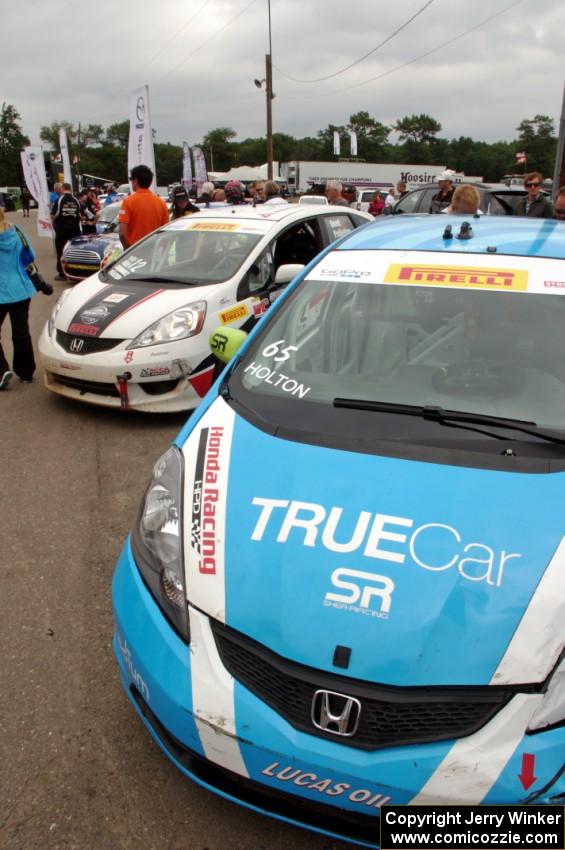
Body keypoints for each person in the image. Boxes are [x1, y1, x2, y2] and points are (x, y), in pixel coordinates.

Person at [0, 209, 49, 387]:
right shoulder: (16, 231)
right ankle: (26, 372)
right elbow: (30, 256)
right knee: (21, 332)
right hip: (20, 289)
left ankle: (2, 371)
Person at [118, 165, 169, 249]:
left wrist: (127, 248)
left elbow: (122, 233)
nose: (131, 182)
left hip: (134, 250)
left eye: (131, 179)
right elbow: (165, 232)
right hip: (154, 251)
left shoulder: (128, 202)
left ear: (136, 180)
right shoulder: (161, 203)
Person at [51, 182, 81, 280]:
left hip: (62, 230)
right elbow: (80, 215)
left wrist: (55, 222)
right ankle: (76, 271)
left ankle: (62, 274)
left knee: (61, 251)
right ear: (71, 189)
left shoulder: (59, 200)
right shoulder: (76, 200)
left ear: (63, 189)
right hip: (75, 230)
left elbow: (53, 214)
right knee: (75, 251)